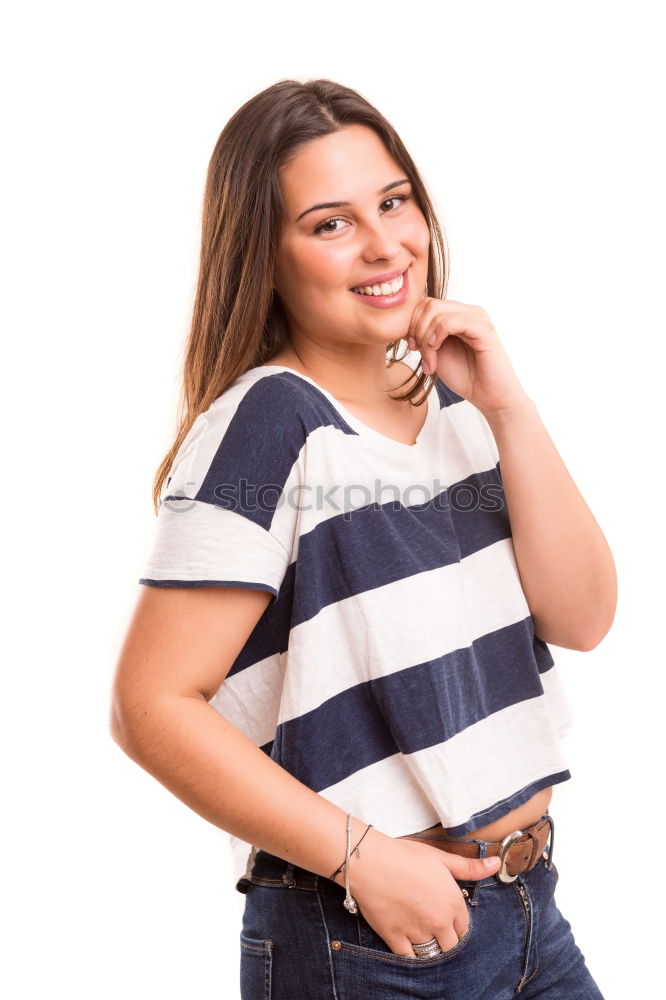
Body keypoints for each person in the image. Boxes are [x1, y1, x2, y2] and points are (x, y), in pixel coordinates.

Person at [110, 78, 616, 999]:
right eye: (330, 222)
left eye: (393, 202)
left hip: (531, 912)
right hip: (371, 946)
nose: (386, 245)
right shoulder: (273, 421)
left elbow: (582, 616)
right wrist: (366, 861)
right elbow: (149, 706)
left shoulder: (458, 404)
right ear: (264, 255)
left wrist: (510, 408)